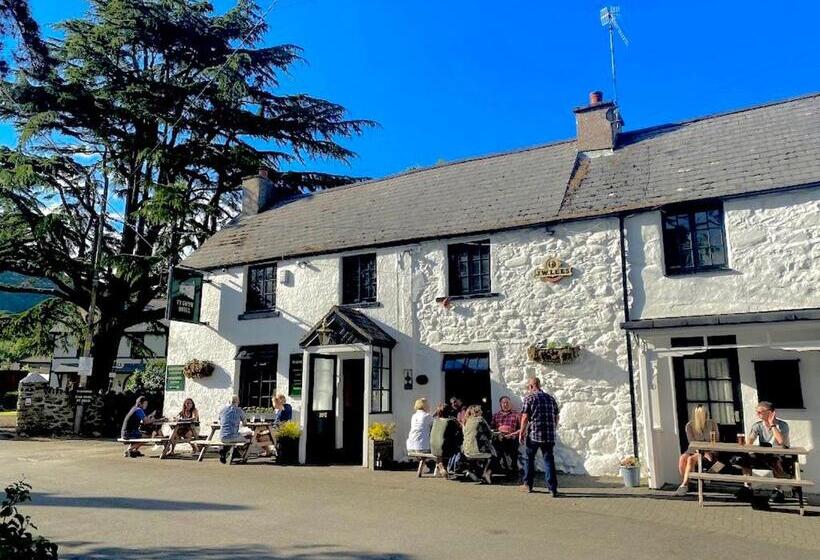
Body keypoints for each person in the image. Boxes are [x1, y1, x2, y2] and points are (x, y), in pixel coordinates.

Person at [731, 401, 792, 503]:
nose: (757, 414)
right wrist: (747, 442)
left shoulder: (782, 425)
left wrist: (772, 425)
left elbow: (781, 442)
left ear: (770, 412)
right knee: (745, 459)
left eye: (760, 412)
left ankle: (778, 490)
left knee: (774, 460)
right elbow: (749, 442)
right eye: (757, 412)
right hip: (763, 455)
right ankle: (747, 488)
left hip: (779, 456)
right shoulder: (758, 426)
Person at [519, 376, 560, 496]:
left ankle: (528, 485)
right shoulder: (550, 398)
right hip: (549, 435)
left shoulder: (529, 398)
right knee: (549, 460)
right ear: (539, 385)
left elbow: (525, 417)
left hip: (534, 434)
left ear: (531, 386)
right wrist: (552, 427)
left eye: (528, 387)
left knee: (529, 459)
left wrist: (522, 431)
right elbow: (556, 416)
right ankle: (552, 488)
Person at [675, 404, 721, 496]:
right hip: (694, 449)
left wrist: (708, 451)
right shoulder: (690, 425)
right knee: (682, 459)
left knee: (690, 460)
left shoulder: (712, 423)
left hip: (709, 450)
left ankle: (684, 485)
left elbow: (716, 439)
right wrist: (701, 452)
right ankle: (689, 483)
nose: (706, 415)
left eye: (706, 412)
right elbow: (692, 443)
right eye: (704, 413)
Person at [462, 404, 496, 483]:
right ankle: (486, 473)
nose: (482, 411)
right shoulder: (480, 419)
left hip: (466, 450)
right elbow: (490, 434)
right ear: (476, 412)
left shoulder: (465, 421)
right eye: (480, 410)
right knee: (494, 456)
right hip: (477, 450)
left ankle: (472, 471)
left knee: (475, 455)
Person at [492, 396, 522, 479]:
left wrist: (512, 435)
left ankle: (513, 471)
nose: (506, 404)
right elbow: (491, 428)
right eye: (503, 403)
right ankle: (501, 469)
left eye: (507, 402)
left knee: (513, 452)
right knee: (496, 449)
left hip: (511, 438)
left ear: (510, 403)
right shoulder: (496, 415)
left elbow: (522, 429)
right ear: (501, 405)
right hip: (499, 438)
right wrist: (497, 433)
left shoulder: (516, 414)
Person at [430, 403, 462, 477]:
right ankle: (448, 467)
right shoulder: (450, 421)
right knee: (458, 447)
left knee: (440, 446)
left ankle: (440, 466)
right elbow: (458, 432)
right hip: (445, 448)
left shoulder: (435, 421)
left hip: (433, 447)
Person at [218, 395, 252, 464]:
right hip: (232, 436)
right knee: (249, 440)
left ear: (229, 401)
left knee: (234, 436)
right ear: (238, 402)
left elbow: (219, 420)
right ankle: (236, 453)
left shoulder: (222, 410)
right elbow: (245, 423)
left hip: (222, 436)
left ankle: (225, 451)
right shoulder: (239, 410)